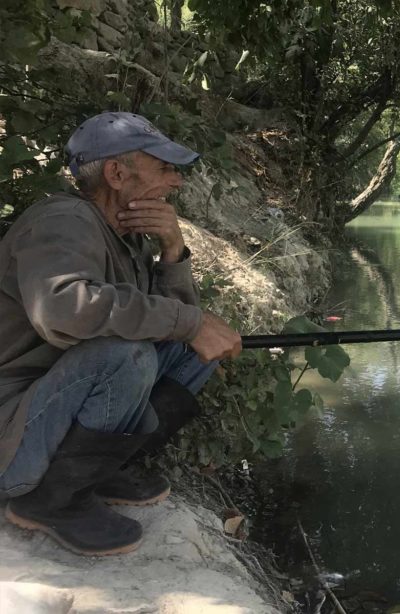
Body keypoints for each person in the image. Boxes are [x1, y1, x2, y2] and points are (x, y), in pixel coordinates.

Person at [0, 112, 242, 556]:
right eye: (165, 167)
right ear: (116, 173)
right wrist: (188, 323)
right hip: (10, 436)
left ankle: (94, 469)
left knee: (192, 350)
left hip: (48, 407)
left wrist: (173, 248)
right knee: (126, 355)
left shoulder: (126, 237)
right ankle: (49, 500)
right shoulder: (62, 220)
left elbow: (179, 323)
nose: (176, 183)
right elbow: (62, 310)